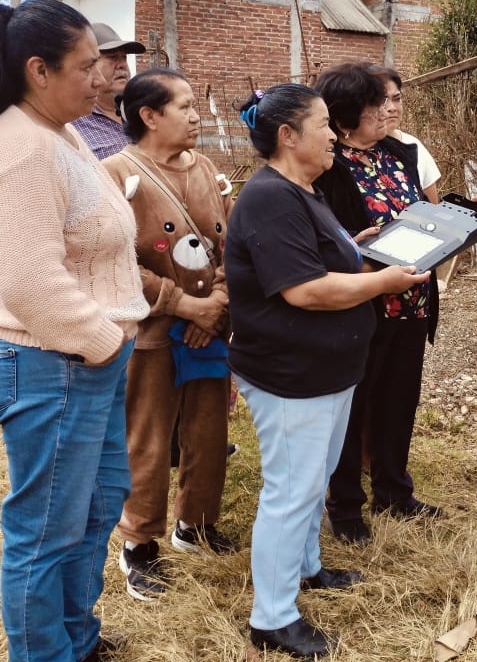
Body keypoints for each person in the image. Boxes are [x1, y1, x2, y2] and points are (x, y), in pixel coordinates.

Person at [0, 0, 149, 662]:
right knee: (45, 530)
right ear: (39, 69)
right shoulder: (22, 146)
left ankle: (74, 639)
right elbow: (28, 279)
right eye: (87, 66)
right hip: (53, 363)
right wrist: (105, 342)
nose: (101, 78)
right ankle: (45, 652)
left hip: (82, 362)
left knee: (97, 507)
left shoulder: (58, 131)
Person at [225, 84, 429, 660]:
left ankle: (307, 567)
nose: (334, 135)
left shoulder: (304, 191)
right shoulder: (269, 198)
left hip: (328, 369)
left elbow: (318, 258)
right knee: (292, 490)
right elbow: (305, 290)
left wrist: (357, 249)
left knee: (312, 480)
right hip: (291, 373)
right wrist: (382, 281)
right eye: (322, 125)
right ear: (288, 136)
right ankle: (272, 618)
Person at [100, 69, 236, 602]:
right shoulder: (113, 175)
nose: (197, 115)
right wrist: (184, 306)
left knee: (208, 432)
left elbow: (231, 243)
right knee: (149, 439)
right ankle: (138, 543)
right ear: (149, 116)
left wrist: (217, 304)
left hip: (209, 329)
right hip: (151, 334)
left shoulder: (206, 168)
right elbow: (112, 261)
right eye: (185, 106)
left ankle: (195, 525)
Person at [314, 62, 443, 545]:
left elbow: (424, 212)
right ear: (347, 117)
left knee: (399, 399)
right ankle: (345, 505)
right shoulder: (327, 165)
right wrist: (357, 249)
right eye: (375, 105)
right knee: (353, 407)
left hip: (411, 299)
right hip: (362, 301)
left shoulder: (400, 152)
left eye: (389, 101)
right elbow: (324, 238)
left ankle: (394, 491)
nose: (387, 111)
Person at [70, 23, 146, 159]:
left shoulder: (144, 111)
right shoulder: (73, 121)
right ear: (88, 65)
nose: (122, 65)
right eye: (113, 57)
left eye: (124, 57)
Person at [369, 64, 441, 203]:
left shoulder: (413, 145)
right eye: (382, 101)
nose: (391, 108)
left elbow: (433, 208)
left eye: (396, 99)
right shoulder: (356, 156)